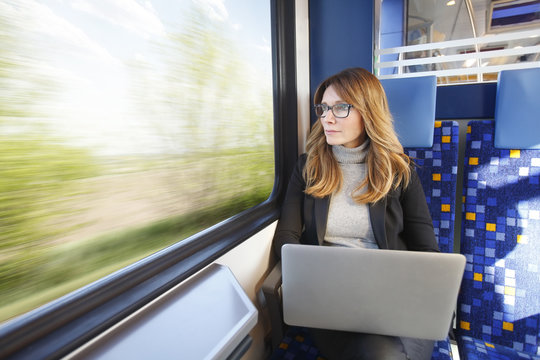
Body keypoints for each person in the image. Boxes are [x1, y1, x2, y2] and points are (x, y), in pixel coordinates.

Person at [272, 67, 440, 360]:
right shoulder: (307, 169)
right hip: (331, 299)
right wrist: (309, 280)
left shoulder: (398, 171)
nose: (327, 117)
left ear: (368, 112)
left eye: (340, 107)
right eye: (323, 108)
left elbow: (426, 246)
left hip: (395, 294)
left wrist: (421, 291)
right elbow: (287, 236)